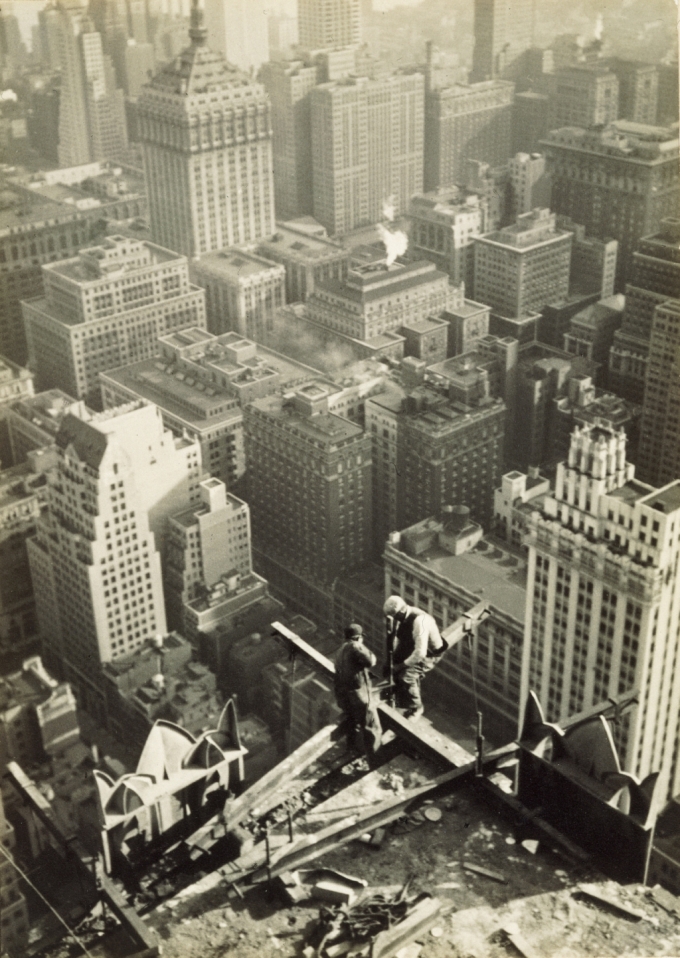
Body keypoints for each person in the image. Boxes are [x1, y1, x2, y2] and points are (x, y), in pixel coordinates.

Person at [383, 595, 445, 719]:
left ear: (402, 611)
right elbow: (401, 639)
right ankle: (396, 695)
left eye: (395, 616)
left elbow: (421, 653)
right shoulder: (403, 615)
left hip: (429, 653)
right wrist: (394, 659)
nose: (395, 619)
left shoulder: (420, 621)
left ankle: (416, 707)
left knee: (406, 677)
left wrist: (401, 665)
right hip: (413, 646)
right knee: (388, 667)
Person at [333, 623, 382, 765]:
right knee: (372, 728)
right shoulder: (355, 646)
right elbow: (371, 661)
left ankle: (352, 751)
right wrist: (362, 646)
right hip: (358, 696)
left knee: (354, 723)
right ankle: (375, 761)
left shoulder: (339, 650)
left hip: (343, 696)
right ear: (358, 637)